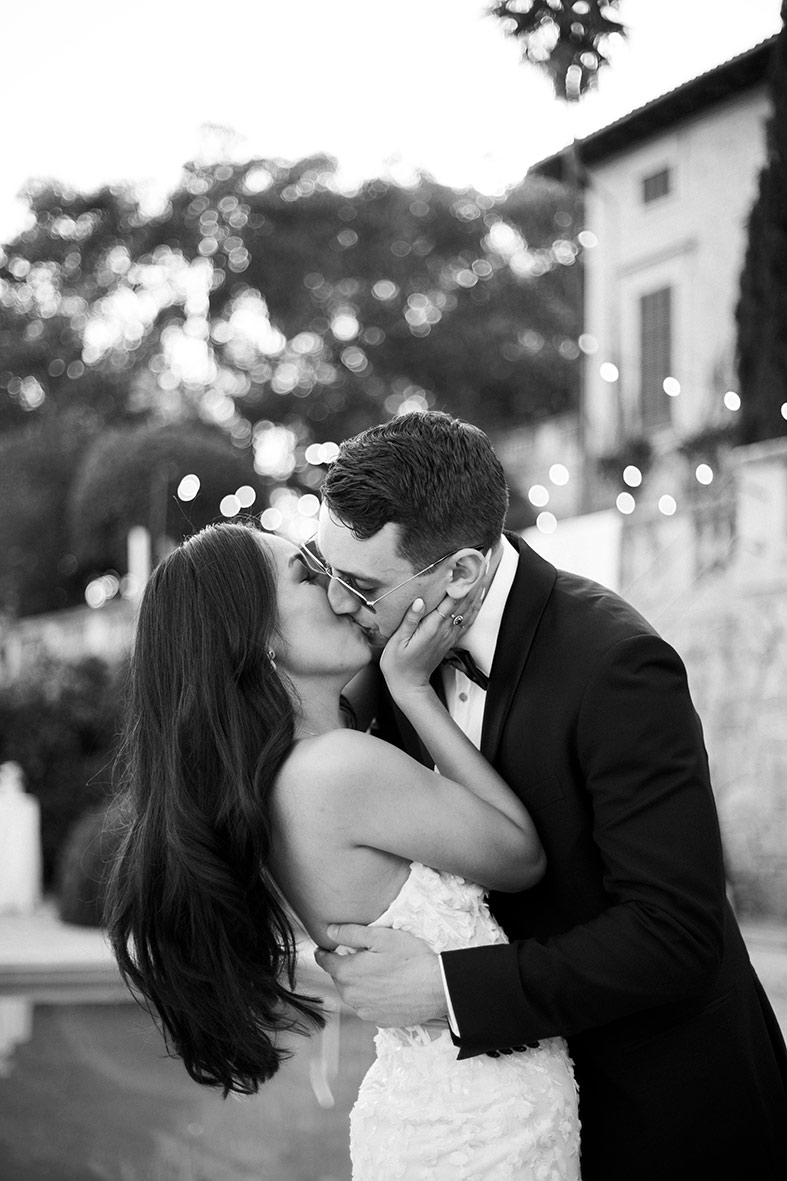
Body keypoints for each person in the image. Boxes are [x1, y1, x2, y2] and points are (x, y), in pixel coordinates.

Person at [311, 410, 787, 1181]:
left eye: (360, 584)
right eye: (323, 568)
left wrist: (443, 988)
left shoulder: (617, 664)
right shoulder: (380, 665)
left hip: (659, 1111)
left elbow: (674, 932)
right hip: (496, 1117)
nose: (336, 602)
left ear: (459, 573)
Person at [105, 520, 582, 1180]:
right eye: (305, 573)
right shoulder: (337, 769)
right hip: (481, 1130)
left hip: (453, 1111)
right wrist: (414, 691)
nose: (338, 588)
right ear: (258, 634)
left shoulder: (282, 778)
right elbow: (519, 854)